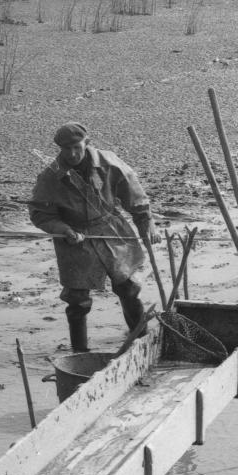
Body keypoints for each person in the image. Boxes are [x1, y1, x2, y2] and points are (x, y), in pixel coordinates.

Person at [29, 122, 153, 351]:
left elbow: (134, 195)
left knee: (128, 287)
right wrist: (63, 229)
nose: (72, 154)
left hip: (110, 229)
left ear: (87, 142)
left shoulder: (108, 163)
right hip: (75, 238)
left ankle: (141, 339)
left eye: (77, 147)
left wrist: (145, 223)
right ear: (59, 149)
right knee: (77, 299)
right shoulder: (50, 176)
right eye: (66, 149)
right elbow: (40, 214)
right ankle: (79, 352)